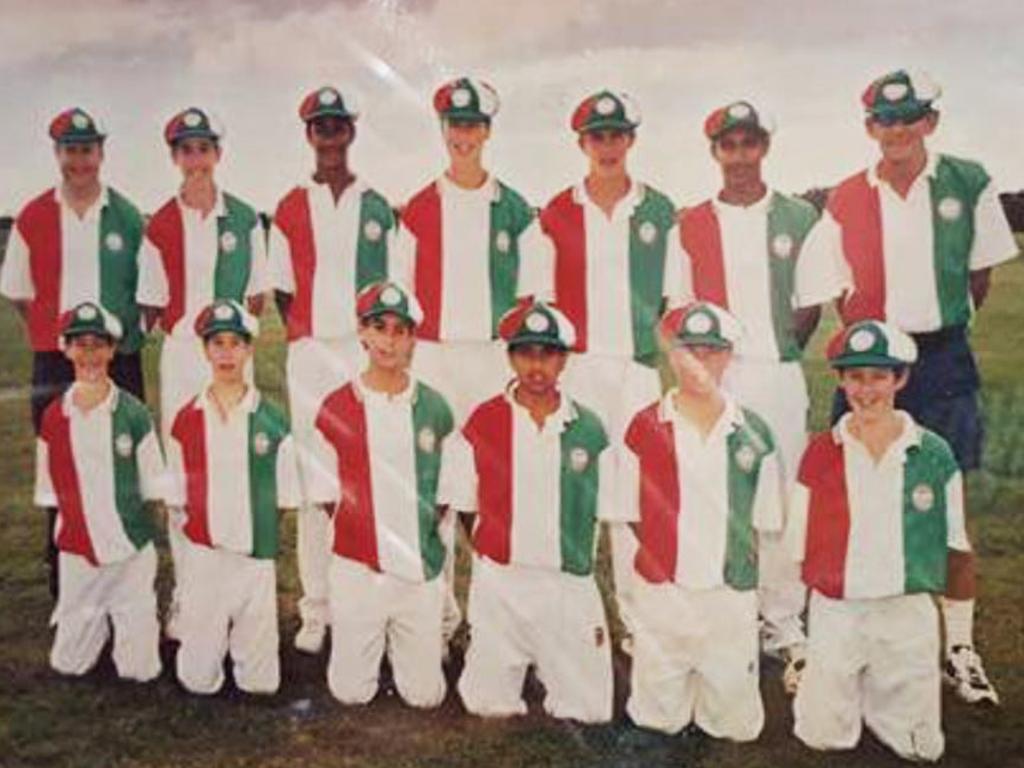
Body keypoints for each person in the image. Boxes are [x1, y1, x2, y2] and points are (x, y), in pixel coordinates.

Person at [823, 69, 1019, 704]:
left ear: (930, 122)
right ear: (869, 128)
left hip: (940, 360)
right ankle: (851, 644)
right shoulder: (846, 196)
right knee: (855, 502)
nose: (897, 130)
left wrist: (933, 331)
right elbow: (836, 286)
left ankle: (960, 647)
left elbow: (977, 279)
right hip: (868, 366)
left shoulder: (968, 181)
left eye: (910, 117)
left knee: (950, 508)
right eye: (885, 119)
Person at [678, 100, 847, 687]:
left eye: (750, 144)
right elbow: (680, 309)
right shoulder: (690, 223)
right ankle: (726, 616)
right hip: (713, 376)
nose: (740, 156)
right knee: (716, 495)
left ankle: (782, 623)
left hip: (776, 371)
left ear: (764, 149)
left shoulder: (803, 218)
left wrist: (776, 352)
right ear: (715, 152)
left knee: (777, 497)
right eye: (730, 145)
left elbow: (808, 306)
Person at [395, 76, 550, 643]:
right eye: (454, 125)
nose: (463, 136)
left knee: (491, 491)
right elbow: (401, 299)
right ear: (443, 130)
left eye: (472, 125)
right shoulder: (416, 209)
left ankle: (496, 617)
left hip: (489, 359)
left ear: (487, 131)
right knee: (434, 488)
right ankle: (436, 618)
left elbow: (534, 300)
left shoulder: (515, 211)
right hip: (433, 357)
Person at [534, 89, 687, 643]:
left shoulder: (660, 210)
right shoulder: (555, 212)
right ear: (582, 143)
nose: (607, 146)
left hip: (637, 369)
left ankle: (635, 619)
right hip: (577, 369)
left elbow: (677, 301)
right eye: (597, 137)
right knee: (575, 489)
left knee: (635, 498)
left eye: (616, 135)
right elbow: (540, 302)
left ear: (631, 140)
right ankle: (570, 617)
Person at [789, 320, 968, 761]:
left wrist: (959, 641)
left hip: (904, 611)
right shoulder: (820, 451)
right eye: (855, 377)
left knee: (920, 748)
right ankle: (833, 682)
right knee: (822, 737)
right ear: (841, 380)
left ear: (900, 379)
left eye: (879, 377)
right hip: (838, 610)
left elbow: (957, 550)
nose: (866, 391)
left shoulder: (934, 454)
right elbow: (797, 547)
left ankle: (883, 692)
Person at [268, 86, 402, 654]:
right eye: (320, 127)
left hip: (362, 352)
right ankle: (316, 609)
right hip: (311, 352)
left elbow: (394, 294)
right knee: (313, 483)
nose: (329, 136)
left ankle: (366, 600)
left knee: (365, 478)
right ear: (309, 135)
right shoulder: (289, 206)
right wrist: (313, 337)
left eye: (337, 126)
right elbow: (281, 292)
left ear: (351, 131)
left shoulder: (378, 205)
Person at [441, 300, 615, 724]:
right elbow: (464, 505)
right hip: (503, 581)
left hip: (567, 580)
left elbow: (605, 510)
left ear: (565, 359)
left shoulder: (589, 429)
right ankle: (512, 655)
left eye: (548, 354)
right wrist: (494, 550)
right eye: (525, 354)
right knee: (488, 704)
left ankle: (555, 659)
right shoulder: (482, 422)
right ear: (510, 357)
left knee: (589, 711)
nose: (537, 367)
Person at [620, 301, 784, 742]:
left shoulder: (755, 433)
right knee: (656, 719)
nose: (699, 363)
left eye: (713, 351)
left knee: (735, 728)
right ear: (671, 355)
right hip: (664, 590)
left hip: (728, 594)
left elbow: (765, 524)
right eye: (688, 351)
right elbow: (629, 518)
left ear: (730, 356)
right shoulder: (642, 427)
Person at [1, 107, 147, 599]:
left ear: (101, 153)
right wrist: (60, 343)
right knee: (60, 464)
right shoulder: (32, 216)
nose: (79, 160)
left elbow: (146, 293)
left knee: (120, 466)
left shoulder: (128, 217)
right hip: (55, 361)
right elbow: (21, 294)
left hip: (119, 359)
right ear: (57, 153)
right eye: (70, 150)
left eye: (87, 149)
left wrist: (109, 346)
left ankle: (124, 575)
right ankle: (63, 576)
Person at [137, 106, 268, 638]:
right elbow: (150, 304)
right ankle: (191, 599)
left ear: (218, 153)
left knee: (235, 469)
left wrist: (231, 349)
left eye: (204, 148)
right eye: (185, 149)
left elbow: (256, 296)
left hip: (233, 354)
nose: (196, 158)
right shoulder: (160, 224)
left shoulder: (244, 218)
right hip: (184, 355)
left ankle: (237, 599)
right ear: (174, 157)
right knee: (185, 477)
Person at [306, 281, 454, 708]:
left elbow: (445, 496)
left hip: (416, 569)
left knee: (425, 696)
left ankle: (407, 641)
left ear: (411, 338)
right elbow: (325, 495)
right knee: (350, 693)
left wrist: (412, 531)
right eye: (379, 327)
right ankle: (368, 636)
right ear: (363, 333)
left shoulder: (435, 407)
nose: (388, 339)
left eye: (399, 330)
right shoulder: (336, 406)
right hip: (359, 569)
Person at [164, 300, 301, 695]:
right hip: (204, 558)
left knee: (261, 684)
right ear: (205, 350)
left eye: (235, 343)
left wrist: (255, 539)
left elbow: (284, 499)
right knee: (197, 681)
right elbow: (176, 498)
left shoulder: (272, 420)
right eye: (217, 343)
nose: (226, 353)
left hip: (253, 558)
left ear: (249, 349)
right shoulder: (186, 419)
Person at [34, 301, 164, 682]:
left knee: (140, 670)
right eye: (81, 345)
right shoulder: (53, 418)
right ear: (66, 348)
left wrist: (133, 537)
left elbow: (152, 488)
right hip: (78, 555)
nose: (89, 354)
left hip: (129, 554)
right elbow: (50, 494)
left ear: (112, 350)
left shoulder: (135, 414)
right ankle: (94, 620)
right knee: (69, 665)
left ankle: (130, 615)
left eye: (98, 345)